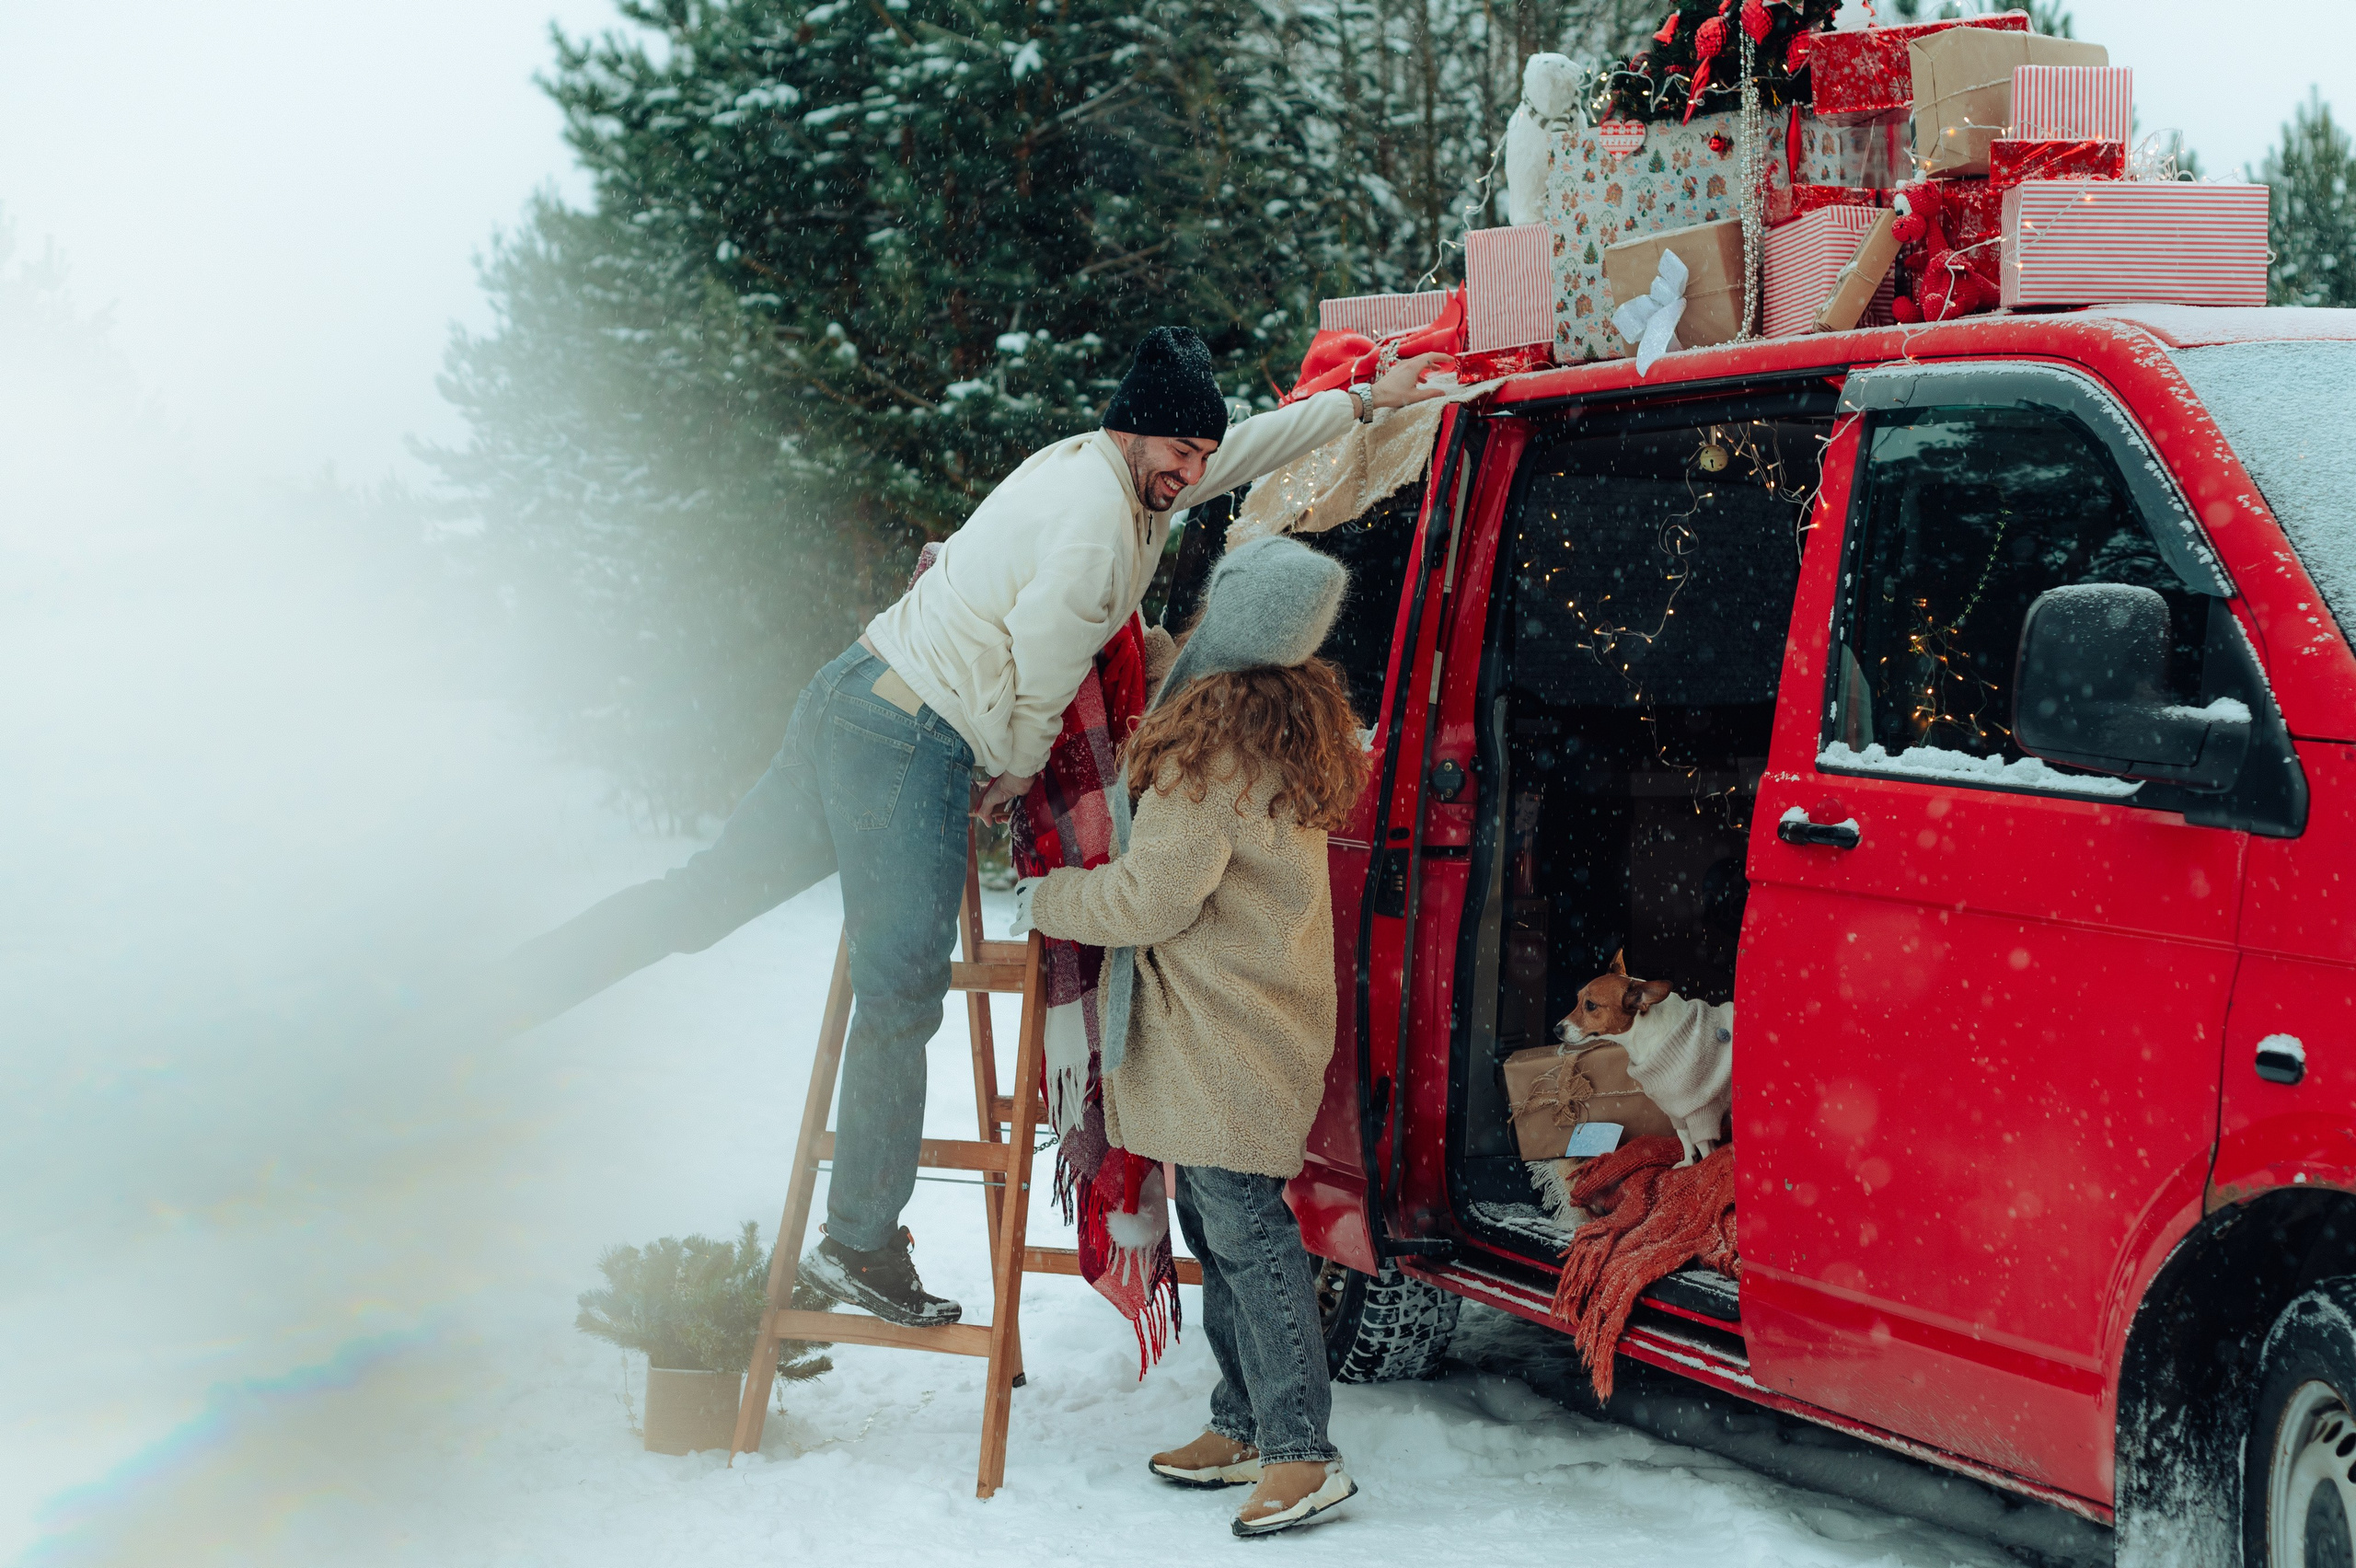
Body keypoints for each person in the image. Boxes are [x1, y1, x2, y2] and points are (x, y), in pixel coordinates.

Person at [479, 327, 1446, 1330]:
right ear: (1131, 432)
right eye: (1179, 454)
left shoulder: (1114, 465)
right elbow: (1043, 668)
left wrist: (1361, 404)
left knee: (704, 896)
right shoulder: (1094, 524)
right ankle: (857, 1244)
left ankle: (513, 990)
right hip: (912, 735)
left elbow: (1243, 448)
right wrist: (1012, 772)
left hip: (857, 691)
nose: (1193, 473)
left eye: (1200, 455)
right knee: (901, 982)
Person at [1011, 533, 1368, 1539]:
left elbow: (1152, 897)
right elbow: (1179, 663)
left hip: (1225, 1032)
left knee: (1247, 1233)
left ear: (1232, 615)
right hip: (1252, 1018)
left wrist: (1051, 898)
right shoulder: (1278, 717)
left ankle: (1300, 1452)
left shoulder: (1210, 752)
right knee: (1219, 1222)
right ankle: (1243, 1421)